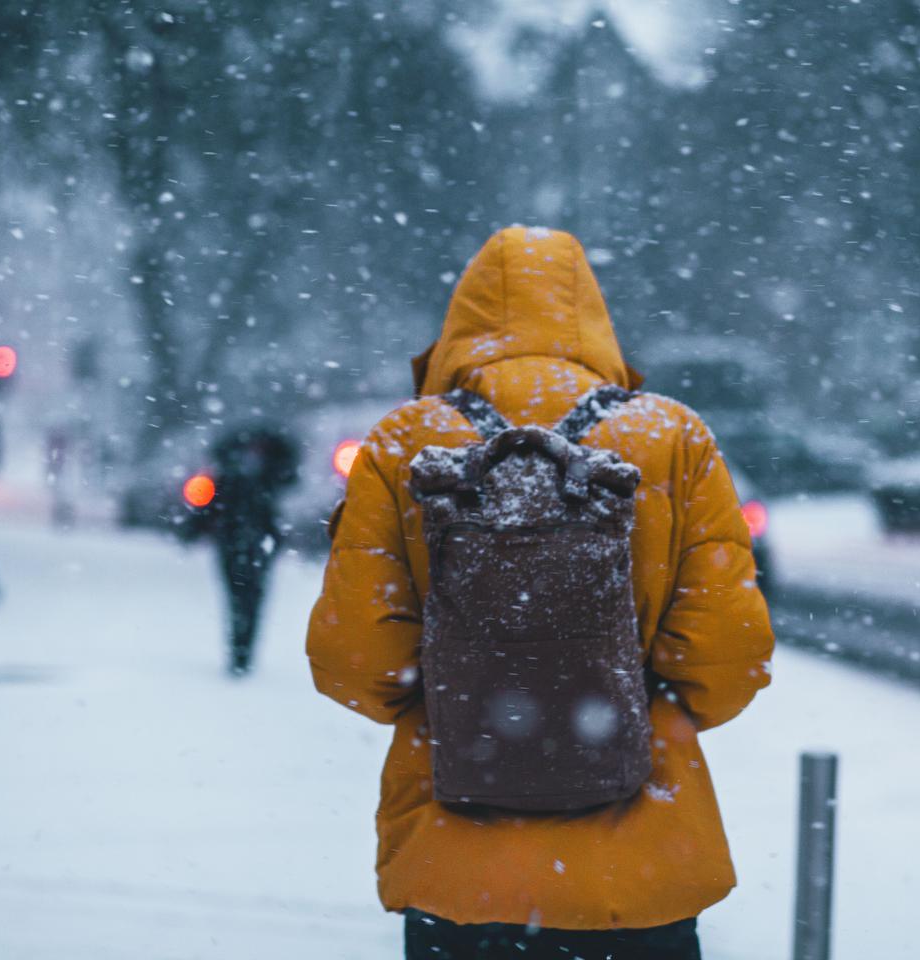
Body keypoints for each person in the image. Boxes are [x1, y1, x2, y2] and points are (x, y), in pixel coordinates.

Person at [306, 226, 775, 959]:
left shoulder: (404, 444)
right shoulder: (672, 438)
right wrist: (624, 709)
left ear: (460, 324)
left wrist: (463, 702)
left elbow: (353, 659)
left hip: (456, 876)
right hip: (640, 875)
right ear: (592, 318)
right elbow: (728, 656)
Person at [183, 425, 299, 676]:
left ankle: (241, 651)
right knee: (244, 598)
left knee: (244, 598)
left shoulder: (248, 473)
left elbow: (208, 505)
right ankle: (241, 651)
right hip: (246, 541)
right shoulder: (255, 474)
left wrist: (193, 530)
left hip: (243, 541)